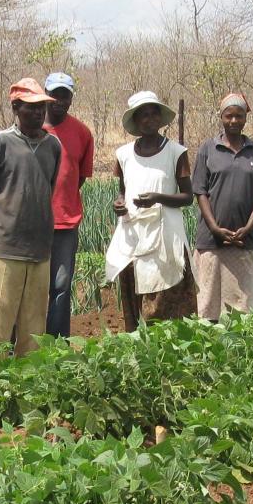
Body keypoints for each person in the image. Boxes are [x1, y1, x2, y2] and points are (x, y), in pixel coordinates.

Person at [0, 78, 62, 356]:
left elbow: (48, 186)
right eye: (31, 108)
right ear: (15, 107)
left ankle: (29, 382)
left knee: (34, 323)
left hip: (39, 246)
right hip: (4, 245)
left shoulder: (53, 146)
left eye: (42, 108)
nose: (38, 113)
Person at [104, 90, 196, 331]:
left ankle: (167, 352)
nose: (148, 119)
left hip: (166, 234)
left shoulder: (176, 152)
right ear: (135, 121)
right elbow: (123, 191)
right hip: (134, 233)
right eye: (142, 115)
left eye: (152, 113)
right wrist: (119, 203)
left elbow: (188, 197)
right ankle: (139, 348)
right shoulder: (123, 155)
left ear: (160, 118)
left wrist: (158, 198)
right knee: (135, 295)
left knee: (166, 297)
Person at [193, 93, 253, 322]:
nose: (234, 121)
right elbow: (200, 192)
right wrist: (215, 228)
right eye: (229, 116)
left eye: (239, 116)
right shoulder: (208, 149)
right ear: (221, 117)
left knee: (246, 303)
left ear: (245, 118)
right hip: (212, 239)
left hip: (245, 240)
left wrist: (249, 226)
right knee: (209, 301)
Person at [43, 72, 94, 338]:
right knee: (31, 285)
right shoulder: (32, 126)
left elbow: (80, 176)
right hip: (33, 221)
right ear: (44, 94)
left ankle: (56, 344)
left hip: (66, 221)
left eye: (65, 95)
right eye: (54, 94)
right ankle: (22, 346)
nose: (59, 100)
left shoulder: (82, 132)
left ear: (71, 98)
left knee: (61, 285)